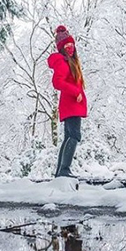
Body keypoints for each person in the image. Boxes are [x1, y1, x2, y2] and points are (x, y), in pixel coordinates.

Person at [48, 25, 88, 178]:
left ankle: (60, 172)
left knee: (69, 136)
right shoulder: (63, 63)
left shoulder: (70, 62)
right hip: (71, 104)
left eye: (72, 45)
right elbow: (57, 82)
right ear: (61, 48)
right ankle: (64, 170)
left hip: (72, 105)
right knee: (74, 135)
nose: (70, 48)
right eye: (67, 46)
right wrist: (76, 92)